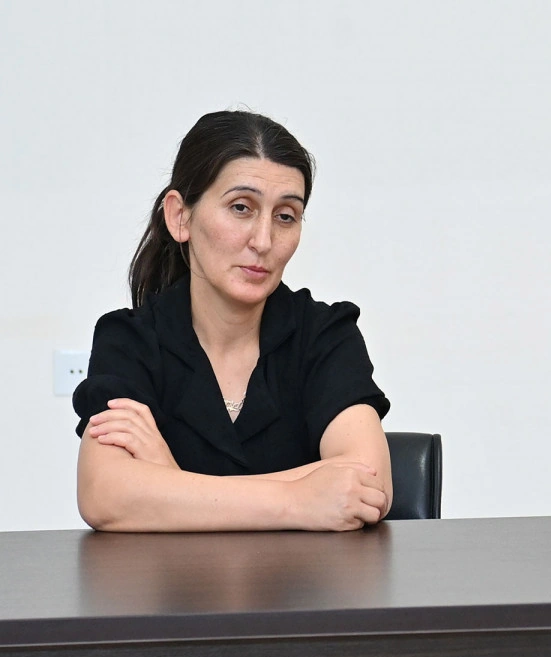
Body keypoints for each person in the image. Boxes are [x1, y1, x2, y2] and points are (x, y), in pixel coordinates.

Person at [73, 110, 392, 532]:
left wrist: (170, 481)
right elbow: (104, 495)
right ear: (180, 216)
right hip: (169, 578)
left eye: (285, 216)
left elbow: (369, 484)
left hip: (307, 577)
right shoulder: (129, 340)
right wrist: (299, 500)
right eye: (241, 208)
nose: (263, 241)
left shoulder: (324, 333)